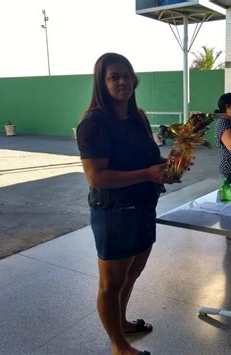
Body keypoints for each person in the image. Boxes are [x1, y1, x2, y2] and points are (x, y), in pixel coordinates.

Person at [76, 53, 179, 355]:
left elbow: (149, 160)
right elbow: (96, 177)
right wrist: (148, 173)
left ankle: (120, 322)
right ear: (102, 83)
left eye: (126, 75)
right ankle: (119, 346)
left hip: (144, 206)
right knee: (111, 283)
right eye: (113, 76)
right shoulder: (92, 124)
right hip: (114, 212)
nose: (122, 81)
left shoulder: (139, 117)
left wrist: (167, 166)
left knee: (130, 275)